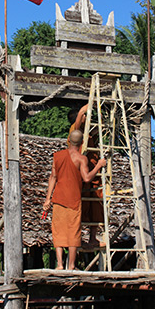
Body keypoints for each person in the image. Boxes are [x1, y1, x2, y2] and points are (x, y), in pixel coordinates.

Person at [44, 130, 106, 270]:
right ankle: (71, 265)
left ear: (68, 141)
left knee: (58, 230)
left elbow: (53, 177)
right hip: (73, 200)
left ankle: (60, 265)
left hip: (58, 198)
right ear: (82, 143)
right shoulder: (81, 159)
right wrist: (98, 165)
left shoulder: (58, 156)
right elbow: (87, 178)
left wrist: (48, 199)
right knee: (73, 232)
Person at [68, 104, 105, 247]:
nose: (86, 117)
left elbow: (98, 130)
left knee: (96, 203)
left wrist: (101, 117)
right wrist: (93, 101)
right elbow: (82, 112)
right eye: (84, 117)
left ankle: (92, 238)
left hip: (93, 172)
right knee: (80, 204)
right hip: (82, 173)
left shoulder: (87, 132)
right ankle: (78, 237)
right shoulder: (75, 130)